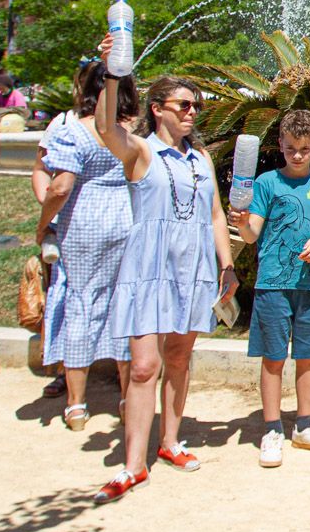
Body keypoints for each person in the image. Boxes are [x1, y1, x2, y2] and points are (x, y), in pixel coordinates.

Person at [92, 49, 238, 503]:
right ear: (158, 109)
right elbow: (105, 128)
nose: (193, 112)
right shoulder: (141, 152)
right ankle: (132, 465)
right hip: (148, 268)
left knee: (178, 358)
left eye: (196, 105)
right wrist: (114, 75)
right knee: (143, 366)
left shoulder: (200, 160)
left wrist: (227, 265)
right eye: (183, 105)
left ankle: (170, 441)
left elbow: (215, 214)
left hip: (192, 267)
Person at [226, 110, 310, 467]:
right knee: (273, 357)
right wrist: (243, 222)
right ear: (279, 144)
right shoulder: (265, 183)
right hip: (273, 284)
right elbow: (251, 236)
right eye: (291, 148)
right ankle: (272, 428)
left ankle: (305, 425)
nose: (297, 155)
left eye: (304, 148)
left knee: (308, 356)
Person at [33, 61, 136, 431]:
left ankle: (76, 405)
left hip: (84, 221)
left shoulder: (74, 130)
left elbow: (59, 187)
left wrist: (43, 225)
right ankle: (128, 397)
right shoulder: (130, 131)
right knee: (125, 306)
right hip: (126, 219)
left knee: (81, 303)